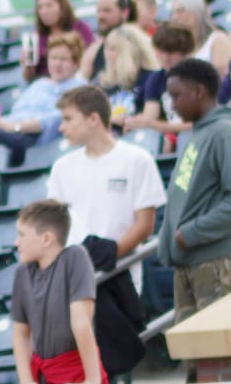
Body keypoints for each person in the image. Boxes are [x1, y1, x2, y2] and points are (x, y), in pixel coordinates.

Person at [157, 59, 231, 320]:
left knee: (226, 354)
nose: (173, 104)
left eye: (177, 96)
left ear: (199, 91)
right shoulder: (196, 134)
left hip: (219, 262)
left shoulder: (223, 132)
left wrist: (189, 233)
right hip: (189, 263)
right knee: (194, 357)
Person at [46, 86, 167, 290]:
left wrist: (111, 254)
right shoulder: (61, 168)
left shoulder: (137, 160)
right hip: (74, 281)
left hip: (120, 276)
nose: (61, 128)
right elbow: (54, 224)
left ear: (93, 119)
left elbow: (145, 225)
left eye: (68, 119)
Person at [0, 33, 87, 170]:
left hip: (32, 139)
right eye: (54, 58)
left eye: (63, 59)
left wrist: (13, 127)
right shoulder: (39, 84)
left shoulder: (78, 87)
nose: (57, 64)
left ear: (75, 64)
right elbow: (17, 113)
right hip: (13, 132)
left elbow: (53, 120)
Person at [10, 200, 107, 384]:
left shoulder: (75, 258)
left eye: (21, 235)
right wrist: (27, 382)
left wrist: (92, 381)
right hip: (44, 379)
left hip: (76, 374)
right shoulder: (22, 273)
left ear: (46, 239)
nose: (16, 242)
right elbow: (20, 334)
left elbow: (81, 322)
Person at [120, 23, 196, 139]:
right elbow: (149, 118)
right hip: (171, 137)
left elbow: (200, 124)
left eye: (170, 52)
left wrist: (154, 125)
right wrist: (135, 124)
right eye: (160, 52)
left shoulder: (199, 77)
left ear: (185, 53)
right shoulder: (156, 78)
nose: (165, 58)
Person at [94, 25, 161, 130]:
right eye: (106, 48)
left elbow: (148, 120)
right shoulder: (102, 82)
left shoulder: (151, 79)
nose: (107, 54)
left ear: (129, 51)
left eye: (113, 49)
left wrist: (124, 121)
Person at [24, 0, 96, 81]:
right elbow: (29, 79)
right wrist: (28, 66)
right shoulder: (36, 36)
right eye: (40, 7)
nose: (44, 11)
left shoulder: (80, 28)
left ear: (62, 8)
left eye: (49, 5)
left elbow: (92, 60)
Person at [170, 0, 231, 75]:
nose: (175, 17)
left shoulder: (217, 40)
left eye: (181, 11)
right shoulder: (178, 45)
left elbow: (223, 76)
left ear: (196, 11)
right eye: (173, 12)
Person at [81, 0, 137, 80]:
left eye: (107, 10)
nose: (101, 16)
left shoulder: (136, 41)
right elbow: (83, 78)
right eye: (99, 11)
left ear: (125, 13)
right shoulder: (95, 48)